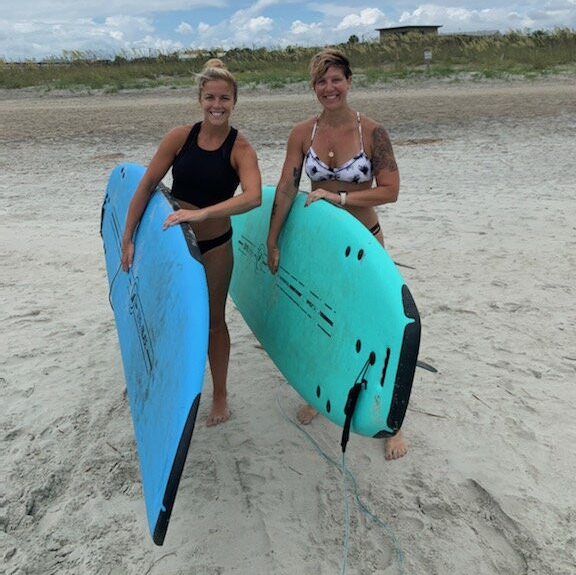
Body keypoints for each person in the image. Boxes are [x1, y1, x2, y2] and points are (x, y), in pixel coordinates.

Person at [266, 48, 407, 461]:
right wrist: (273, 239)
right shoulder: (302, 133)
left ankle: (394, 423)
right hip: (322, 249)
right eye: (321, 81)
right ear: (314, 87)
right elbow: (287, 187)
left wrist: (339, 196)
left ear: (349, 81)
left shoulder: (373, 133)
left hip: (365, 244)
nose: (329, 88)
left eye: (336, 79)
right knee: (323, 321)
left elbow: (390, 191)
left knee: (378, 325)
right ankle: (321, 392)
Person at [121, 59, 261, 426]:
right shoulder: (179, 137)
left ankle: (220, 394)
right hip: (173, 246)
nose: (217, 105)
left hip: (215, 246)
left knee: (214, 321)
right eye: (210, 97)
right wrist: (128, 237)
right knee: (166, 313)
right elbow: (146, 185)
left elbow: (253, 197)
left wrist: (203, 213)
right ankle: (162, 380)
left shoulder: (240, 148)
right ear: (200, 98)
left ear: (234, 101)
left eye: (224, 98)